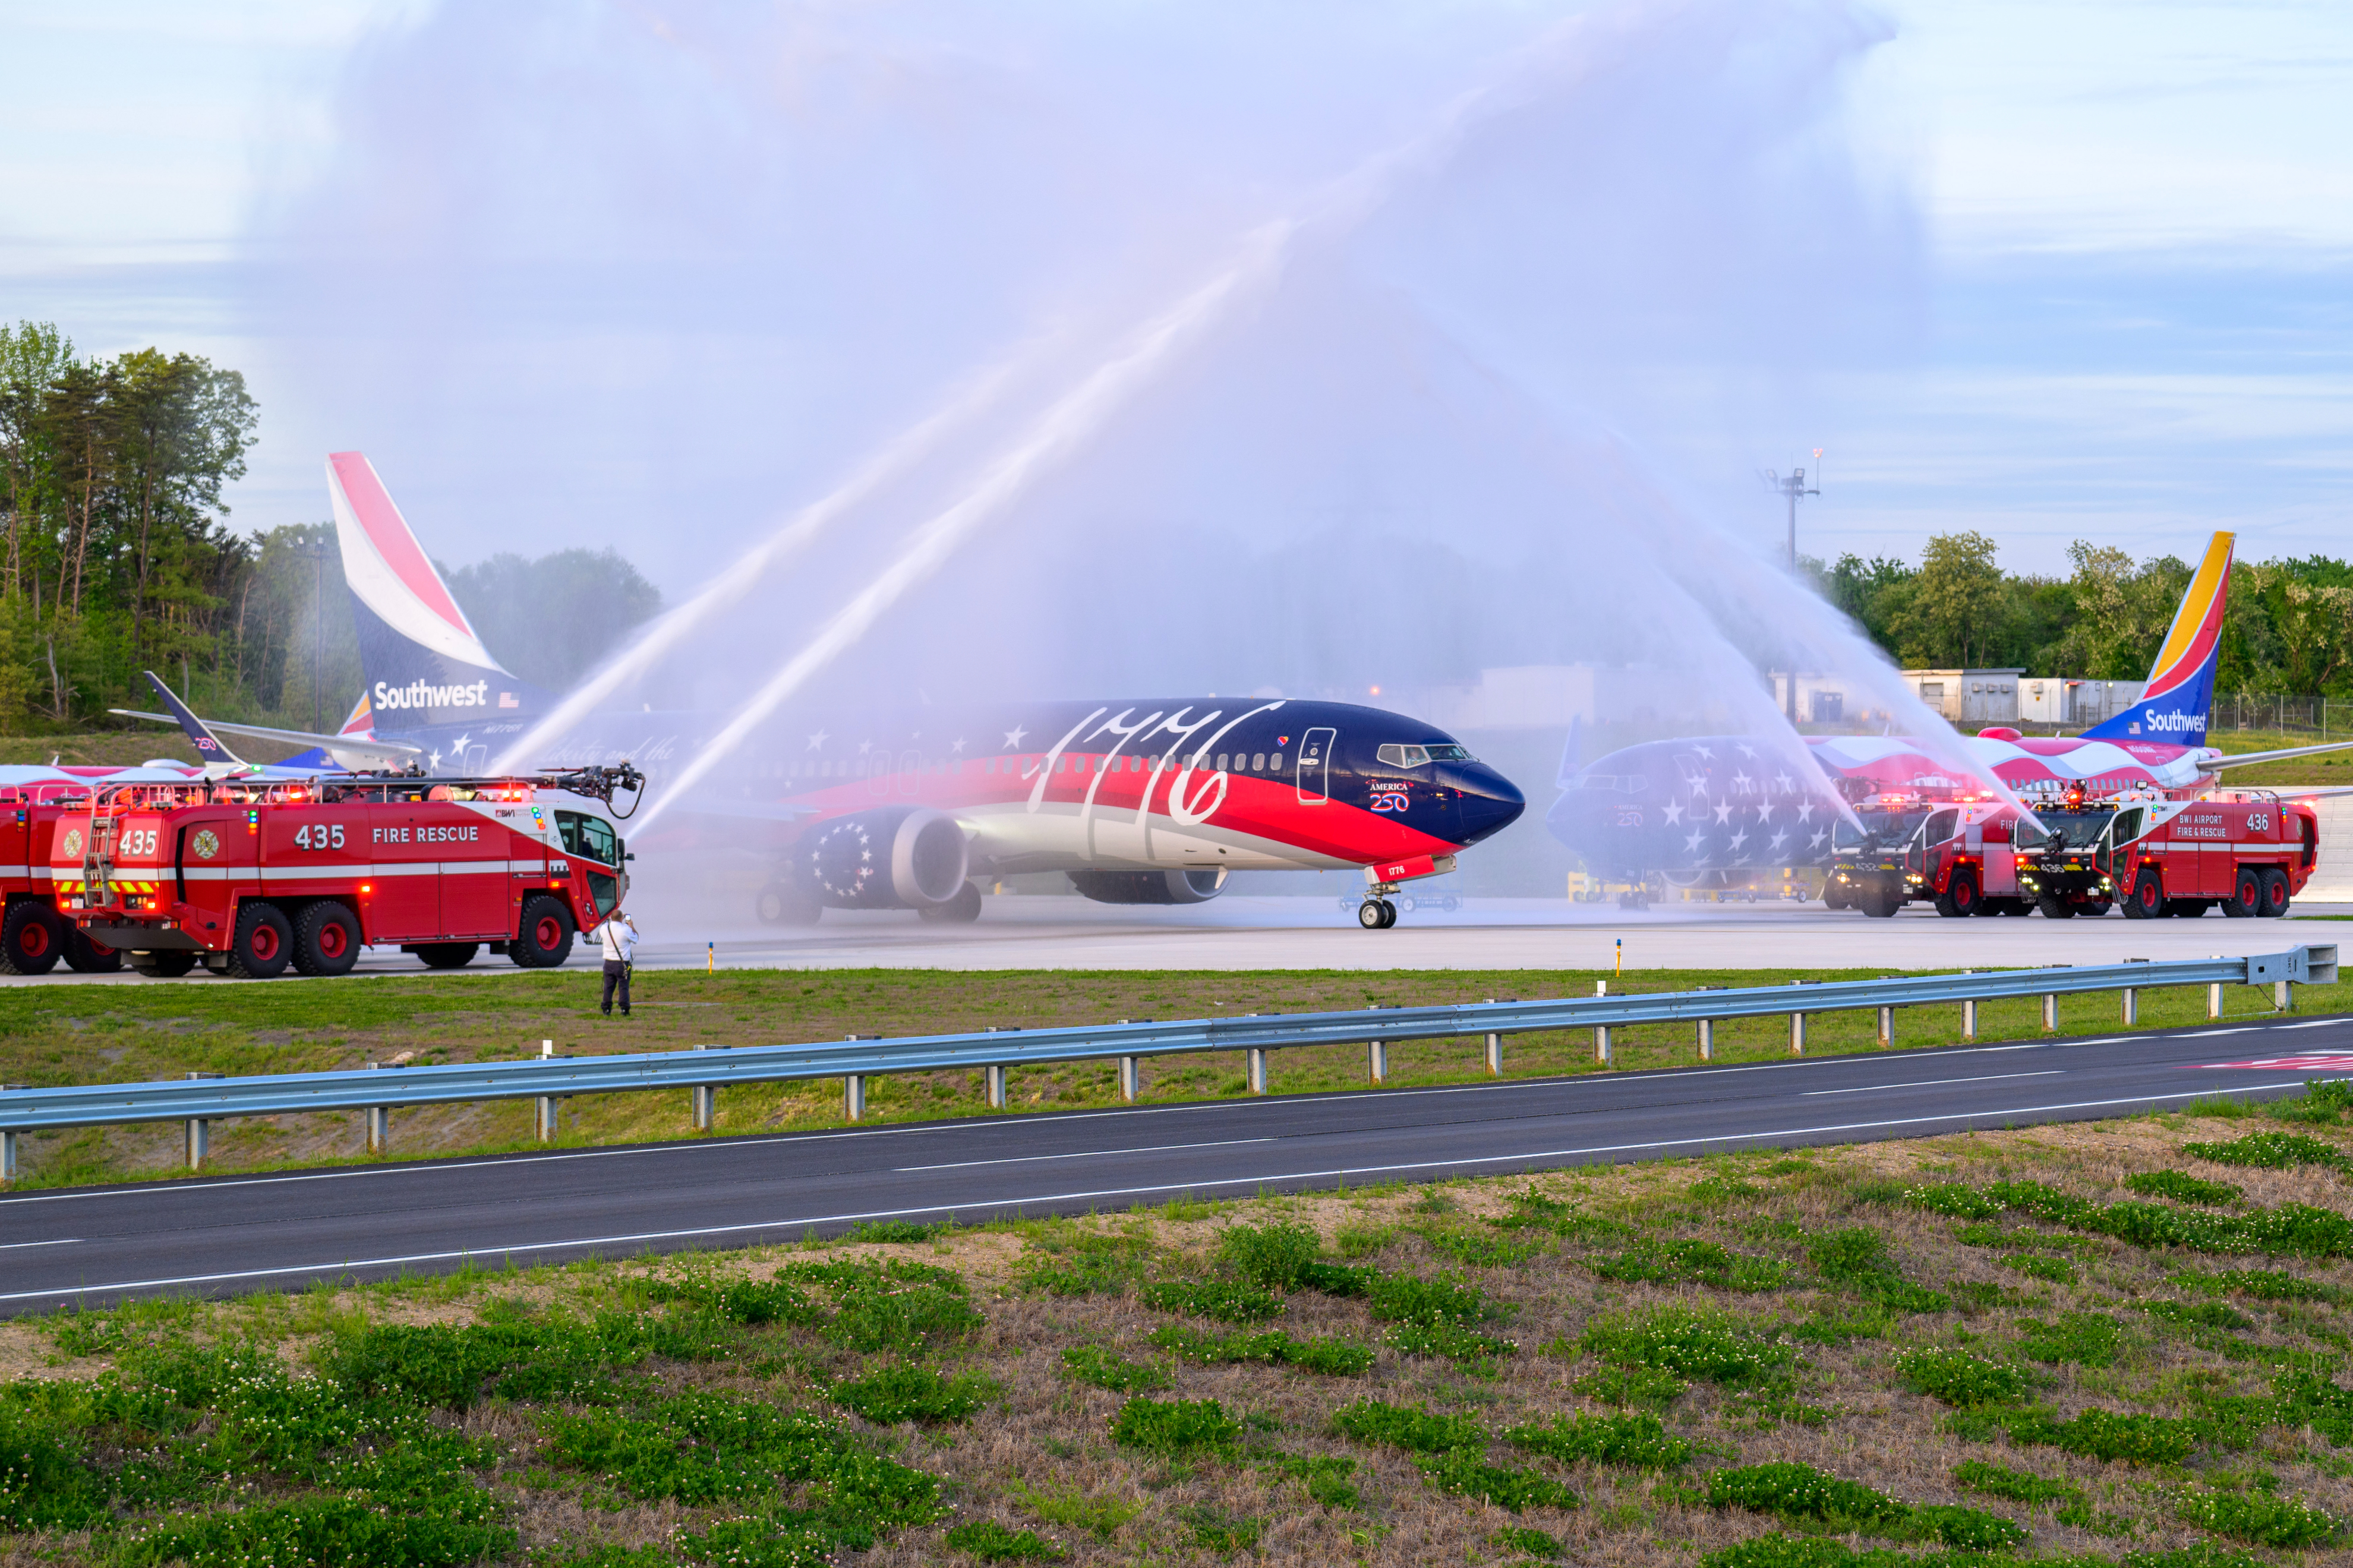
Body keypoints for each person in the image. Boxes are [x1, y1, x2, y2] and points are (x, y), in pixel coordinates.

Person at [598, 907, 640, 1017]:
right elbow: (636, 938)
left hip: (608, 963)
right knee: (623, 986)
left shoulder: (604, 929)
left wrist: (615, 917)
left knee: (608, 987)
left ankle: (606, 1009)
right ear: (622, 918)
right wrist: (631, 926)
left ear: (611, 918)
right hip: (622, 964)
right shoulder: (625, 930)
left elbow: (606, 922)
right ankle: (624, 1009)